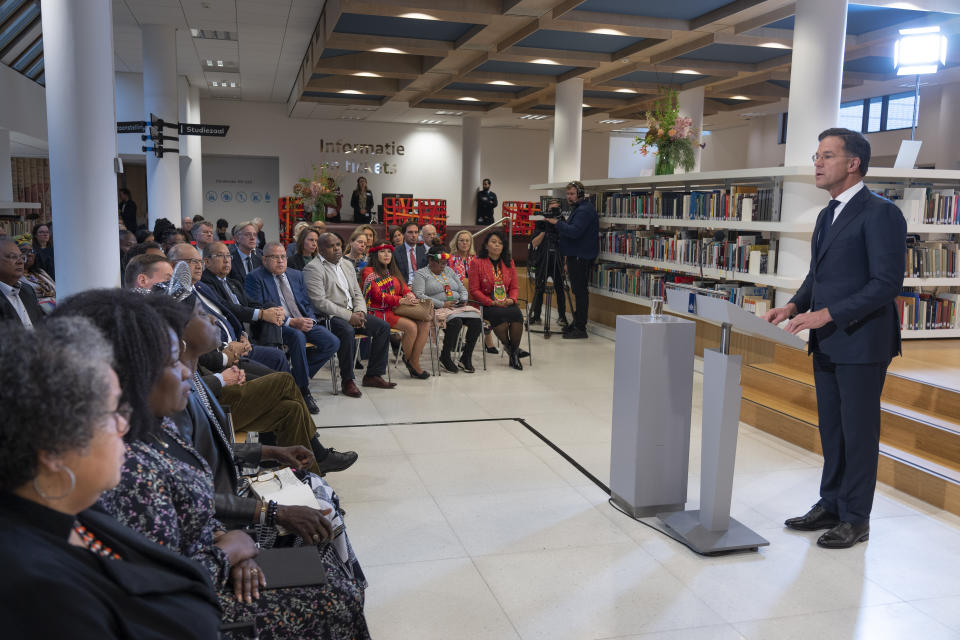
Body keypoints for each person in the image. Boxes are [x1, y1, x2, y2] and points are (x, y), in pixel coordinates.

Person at [52, 290, 370, 640]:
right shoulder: (127, 468)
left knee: (325, 529)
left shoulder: (156, 424)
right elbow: (158, 583)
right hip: (201, 595)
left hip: (218, 543)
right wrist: (233, 547)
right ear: (135, 371)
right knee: (337, 593)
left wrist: (231, 535)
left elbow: (191, 501)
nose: (186, 373)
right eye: (172, 362)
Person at [0, 318, 222, 639]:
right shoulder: (42, 595)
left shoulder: (75, 510)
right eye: (111, 412)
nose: (123, 426)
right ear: (53, 448)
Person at [763, 127, 906, 549]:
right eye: (817, 155)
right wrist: (792, 306)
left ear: (853, 163)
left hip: (862, 342)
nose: (817, 163)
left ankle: (856, 517)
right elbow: (817, 276)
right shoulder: (828, 213)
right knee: (833, 429)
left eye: (826, 156)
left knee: (859, 432)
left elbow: (886, 283)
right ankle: (832, 503)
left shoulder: (880, 212)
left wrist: (827, 313)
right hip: (827, 341)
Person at [244, 242, 341, 412]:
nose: (281, 261)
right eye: (275, 257)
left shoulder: (296, 274)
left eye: (283, 257)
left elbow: (306, 302)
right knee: (298, 337)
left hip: (302, 320)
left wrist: (310, 319)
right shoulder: (255, 277)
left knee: (332, 342)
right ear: (264, 259)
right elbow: (259, 308)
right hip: (276, 324)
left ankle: (294, 378)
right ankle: (303, 391)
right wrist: (291, 322)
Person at [303, 232, 396, 398]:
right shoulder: (313, 268)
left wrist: (360, 311)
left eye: (338, 244)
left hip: (353, 312)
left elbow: (357, 292)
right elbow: (320, 302)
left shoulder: (346, 264)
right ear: (321, 249)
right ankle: (347, 380)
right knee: (347, 330)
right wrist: (349, 316)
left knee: (383, 327)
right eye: (331, 246)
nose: (337, 249)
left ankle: (373, 375)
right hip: (329, 317)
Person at [362, 244, 432, 379]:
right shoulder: (368, 271)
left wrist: (409, 295)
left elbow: (404, 288)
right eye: (382, 252)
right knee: (411, 326)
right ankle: (411, 362)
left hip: (394, 309)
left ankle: (413, 361)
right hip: (377, 312)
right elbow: (377, 295)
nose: (387, 254)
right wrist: (400, 300)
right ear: (375, 255)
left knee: (425, 323)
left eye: (389, 251)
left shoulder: (392, 271)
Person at [200, 241, 285, 347]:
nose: (226, 260)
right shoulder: (204, 282)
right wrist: (262, 314)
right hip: (233, 331)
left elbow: (252, 303)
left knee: (270, 306)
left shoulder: (233, 283)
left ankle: (273, 348)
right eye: (220, 256)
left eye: (228, 255)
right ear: (207, 261)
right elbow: (225, 307)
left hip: (249, 326)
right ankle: (273, 351)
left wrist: (274, 311)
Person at [414, 245, 482, 373]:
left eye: (445, 263)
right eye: (440, 263)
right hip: (436, 307)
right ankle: (445, 357)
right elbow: (419, 295)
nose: (443, 266)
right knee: (456, 322)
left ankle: (466, 357)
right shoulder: (421, 274)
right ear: (430, 261)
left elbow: (462, 288)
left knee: (476, 322)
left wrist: (463, 299)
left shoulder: (449, 271)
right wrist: (442, 304)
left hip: (457, 306)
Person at [546, 180, 598, 340]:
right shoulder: (580, 208)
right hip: (576, 255)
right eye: (567, 194)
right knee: (577, 291)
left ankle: (580, 326)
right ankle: (577, 323)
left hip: (580, 256)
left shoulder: (584, 211)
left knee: (580, 292)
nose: (569, 197)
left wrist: (558, 223)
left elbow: (575, 232)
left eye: (572, 194)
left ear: (580, 194)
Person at [469, 230, 525, 370]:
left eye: (500, 243)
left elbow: (514, 287)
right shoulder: (477, 262)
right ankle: (514, 352)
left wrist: (512, 299)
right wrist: (491, 302)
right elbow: (474, 290)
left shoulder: (508, 261)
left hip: (506, 301)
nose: (497, 245)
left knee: (516, 316)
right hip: (487, 302)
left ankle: (512, 352)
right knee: (500, 319)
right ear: (486, 245)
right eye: (493, 242)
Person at [529, 203, 568, 328]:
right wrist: (545, 230)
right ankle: (536, 315)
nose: (552, 212)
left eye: (555, 210)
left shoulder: (563, 224)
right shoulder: (541, 223)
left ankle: (562, 316)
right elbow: (534, 244)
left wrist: (566, 263)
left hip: (558, 261)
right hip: (543, 260)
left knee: (560, 289)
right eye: (550, 210)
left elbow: (567, 245)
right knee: (539, 288)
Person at [0, 237, 44, 326]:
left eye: (21, 257)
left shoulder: (28, 290)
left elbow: (41, 326)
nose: (20, 261)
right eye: (13, 257)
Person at [18, 238, 56, 312]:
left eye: (31, 251)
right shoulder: (14, 276)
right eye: (23, 251)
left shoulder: (40, 272)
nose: (29, 254)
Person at [395, 220, 426, 286]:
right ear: (403, 234)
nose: (414, 235)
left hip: (422, 286)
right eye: (410, 232)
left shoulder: (424, 251)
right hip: (404, 286)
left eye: (416, 232)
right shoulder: (396, 252)